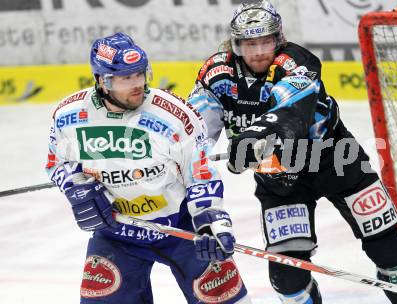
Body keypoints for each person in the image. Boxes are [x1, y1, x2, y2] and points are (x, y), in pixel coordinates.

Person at [188, 1, 397, 304]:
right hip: (279, 179)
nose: (257, 52)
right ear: (235, 45)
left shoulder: (298, 62)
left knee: (390, 249)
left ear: (278, 39)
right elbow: (195, 130)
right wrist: (179, 154)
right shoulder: (218, 74)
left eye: (265, 41)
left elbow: (290, 113)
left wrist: (253, 137)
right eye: (248, 44)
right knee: (288, 278)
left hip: (337, 161)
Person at [45, 32, 252, 304]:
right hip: (117, 232)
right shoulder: (69, 116)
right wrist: (76, 187)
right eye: (125, 78)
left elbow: (199, 174)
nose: (137, 84)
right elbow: (56, 163)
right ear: (101, 81)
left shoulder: (175, 114)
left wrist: (211, 218)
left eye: (140, 74)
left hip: (180, 227)